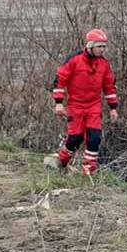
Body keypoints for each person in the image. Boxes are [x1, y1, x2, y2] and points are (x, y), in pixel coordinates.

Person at [52, 28, 119, 176]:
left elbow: (109, 87)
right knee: (75, 139)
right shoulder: (74, 60)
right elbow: (60, 80)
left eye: (104, 47)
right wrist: (58, 103)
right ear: (90, 46)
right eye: (99, 46)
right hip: (75, 105)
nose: (102, 50)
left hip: (94, 106)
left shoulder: (104, 64)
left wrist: (113, 108)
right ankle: (62, 161)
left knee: (94, 139)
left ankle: (88, 172)